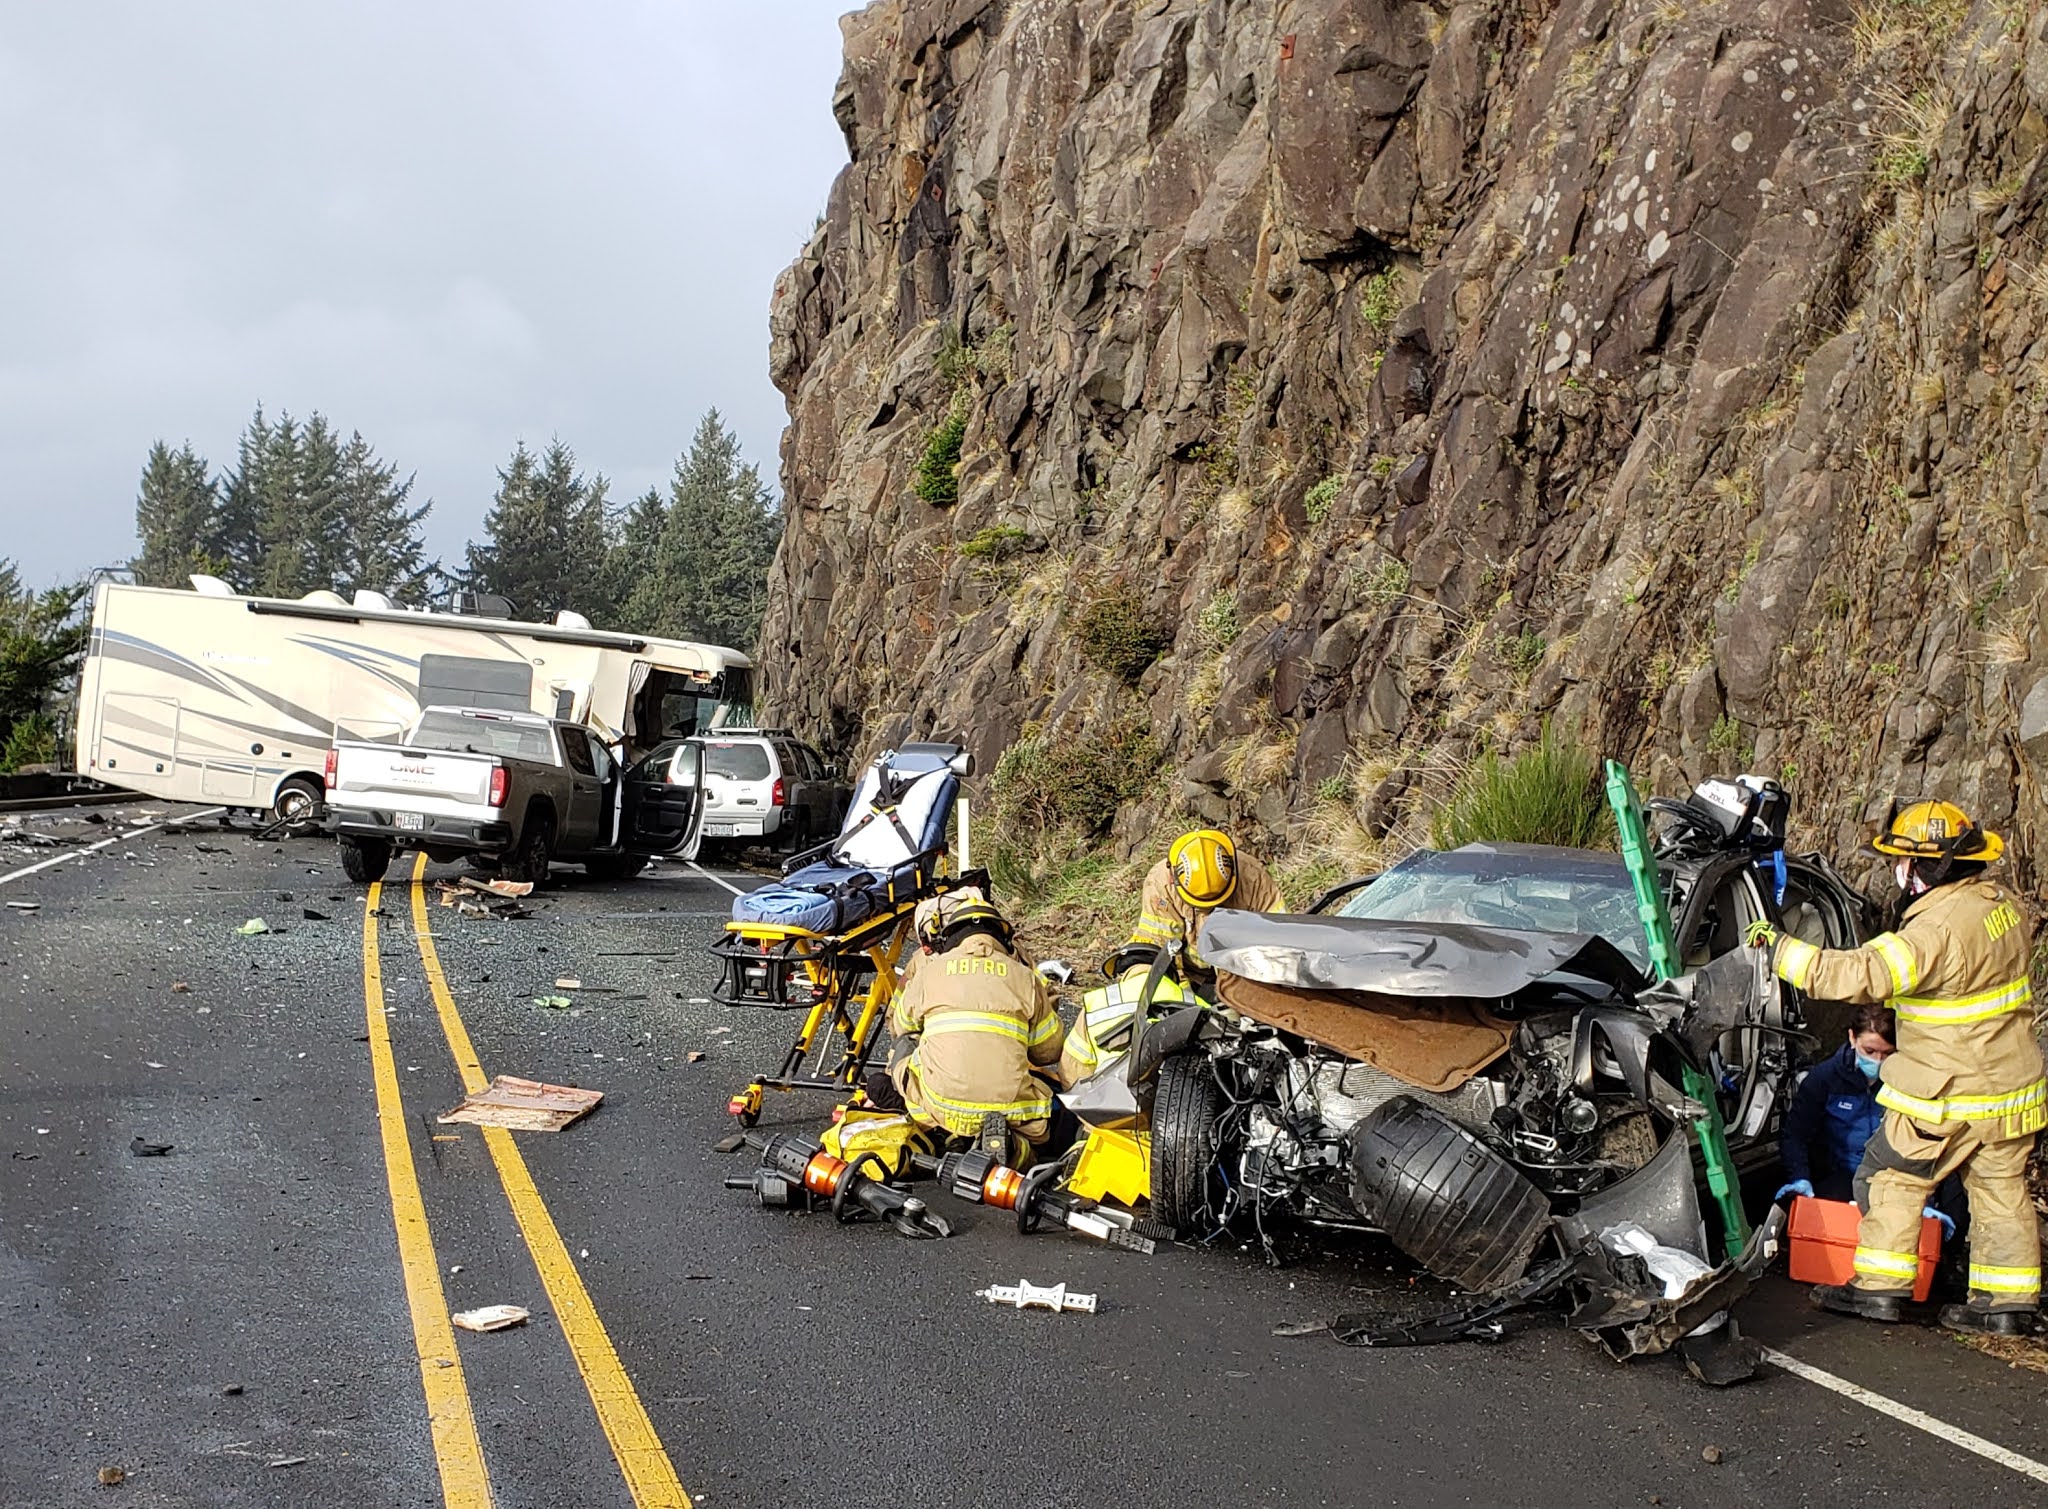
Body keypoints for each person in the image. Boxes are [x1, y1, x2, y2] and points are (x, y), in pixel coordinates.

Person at [1750, 800, 2042, 1335]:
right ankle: (2006, 1305)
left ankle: (1878, 1287)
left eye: (1901, 862)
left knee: (1890, 1177)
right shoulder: (2002, 905)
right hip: (2011, 1087)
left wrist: (1782, 951)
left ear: (1927, 865)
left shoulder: (1936, 929)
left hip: (1950, 1089)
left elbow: (1863, 974)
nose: (1896, 872)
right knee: (2000, 1191)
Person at [879, 890, 1066, 1147]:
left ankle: (937, 1131)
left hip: (941, 1105)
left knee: (903, 1048)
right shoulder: (1026, 976)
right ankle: (1015, 1150)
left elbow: (901, 1028)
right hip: (1012, 1107)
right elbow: (1048, 1052)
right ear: (1004, 938)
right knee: (1040, 1124)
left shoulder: (928, 970)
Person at [1775, 1004, 1897, 1204]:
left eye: (1887, 1054)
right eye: (1869, 1051)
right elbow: (1796, 1135)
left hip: (1891, 1182)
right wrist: (1800, 1177)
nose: (1878, 1060)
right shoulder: (1824, 1079)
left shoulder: (1904, 1081)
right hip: (1838, 1179)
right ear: (1852, 1038)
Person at [1129, 829, 1286, 983]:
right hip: (1190, 972)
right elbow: (1162, 948)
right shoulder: (1160, 884)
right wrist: (1183, 994)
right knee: (1145, 976)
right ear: (1172, 878)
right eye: (1199, 905)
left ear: (1233, 873)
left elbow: (1279, 934)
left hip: (1244, 969)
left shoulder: (1252, 876)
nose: (1207, 911)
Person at [1059, 943, 1204, 1088]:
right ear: (1171, 973)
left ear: (1122, 973)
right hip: (1182, 1097)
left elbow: (1072, 1070)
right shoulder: (1199, 1005)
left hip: (1114, 1096)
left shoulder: (1097, 1001)